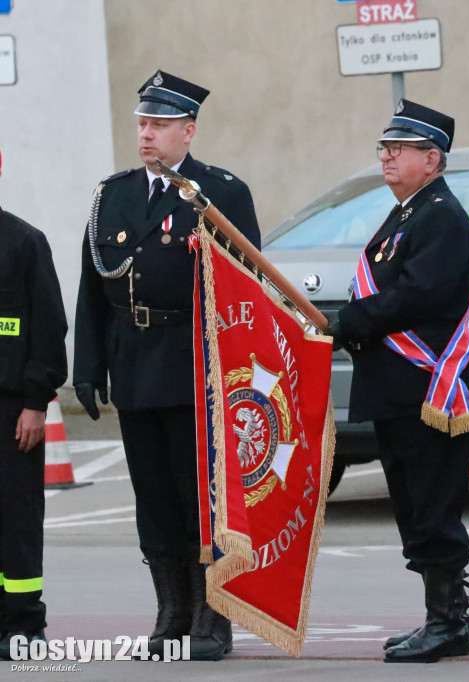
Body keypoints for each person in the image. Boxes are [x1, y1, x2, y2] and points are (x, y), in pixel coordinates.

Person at [73, 70, 260, 662]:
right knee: (152, 496)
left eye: (158, 125)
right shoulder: (115, 194)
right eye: (142, 124)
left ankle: (212, 615)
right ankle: (171, 612)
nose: (146, 134)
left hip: (195, 365)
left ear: (188, 131)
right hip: (134, 364)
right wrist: (89, 363)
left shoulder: (220, 193)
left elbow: (247, 288)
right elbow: (91, 285)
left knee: (200, 496)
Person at [329, 99, 469, 664]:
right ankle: (438, 616)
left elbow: (419, 294)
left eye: (401, 148)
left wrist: (351, 322)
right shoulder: (405, 213)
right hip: (396, 389)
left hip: (429, 389)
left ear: (433, 158)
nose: (388, 157)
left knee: (434, 508)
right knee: (413, 506)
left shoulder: (440, 215)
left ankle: (450, 621)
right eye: (385, 148)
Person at [0, 149, 68, 660]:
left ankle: (23, 623)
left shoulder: (24, 241)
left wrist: (35, 403)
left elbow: (48, 330)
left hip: (10, 411)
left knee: (17, 515)